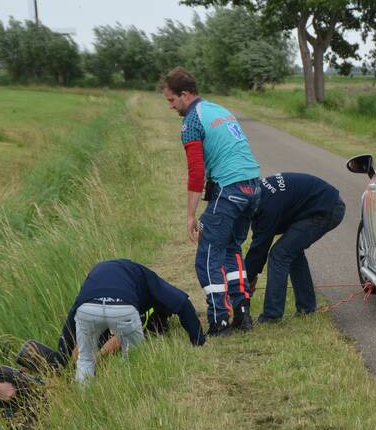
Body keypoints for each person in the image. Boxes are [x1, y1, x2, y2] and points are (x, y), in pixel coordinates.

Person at [161, 67, 261, 336]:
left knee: (206, 257)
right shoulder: (218, 109)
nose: (171, 107)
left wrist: (191, 215)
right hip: (253, 187)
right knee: (231, 249)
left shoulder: (192, 121)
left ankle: (219, 320)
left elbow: (196, 172)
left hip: (229, 189)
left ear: (185, 94)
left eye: (171, 100)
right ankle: (242, 313)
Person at [57, 259, 206, 382]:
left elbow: (71, 319)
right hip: (123, 308)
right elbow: (182, 302)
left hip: (87, 309)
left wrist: (61, 359)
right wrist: (198, 339)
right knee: (133, 359)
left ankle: (82, 397)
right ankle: (126, 390)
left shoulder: (94, 275)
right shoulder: (146, 276)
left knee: (85, 360)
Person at [245, 173, 346, 323]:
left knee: (279, 254)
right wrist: (251, 275)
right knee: (292, 253)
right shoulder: (258, 195)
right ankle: (307, 308)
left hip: (326, 208)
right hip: (319, 205)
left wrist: (244, 282)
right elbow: (258, 239)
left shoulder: (267, 206)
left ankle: (272, 316)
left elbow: (260, 249)